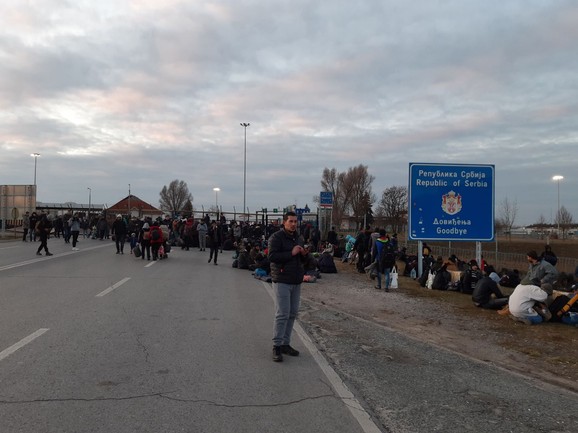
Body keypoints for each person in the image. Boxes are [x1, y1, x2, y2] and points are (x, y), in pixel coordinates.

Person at [268, 211, 307, 362]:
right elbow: (272, 257)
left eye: (295, 221)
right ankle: (276, 346)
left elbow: (303, 260)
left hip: (296, 280)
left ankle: (285, 343)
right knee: (282, 313)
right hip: (282, 279)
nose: (293, 224)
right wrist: (291, 253)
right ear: (284, 222)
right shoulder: (276, 238)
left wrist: (304, 254)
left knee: (292, 313)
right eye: (290, 221)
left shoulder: (299, 238)